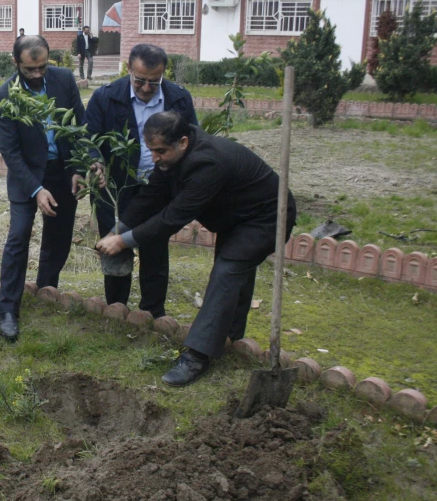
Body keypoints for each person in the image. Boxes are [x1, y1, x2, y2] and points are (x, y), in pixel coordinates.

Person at [96, 111, 296, 387]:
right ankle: (232, 337)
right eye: (151, 150)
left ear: (184, 142)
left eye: (160, 151)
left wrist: (123, 241)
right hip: (236, 215)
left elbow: (172, 217)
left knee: (228, 271)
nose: (154, 157)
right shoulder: (172, 159)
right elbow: (152, 196)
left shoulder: (207, 163)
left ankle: (198, 356)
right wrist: (117, 229)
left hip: (267, 216)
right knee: (237, 271)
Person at [86, 44, 197, 315]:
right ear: (128, 70)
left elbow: (191, 140)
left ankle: (152, 311)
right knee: (115, 246)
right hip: (115, 188)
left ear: (163, 74)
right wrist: (95, 160)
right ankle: (116, 308)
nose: (146, 87)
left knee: (155, 248)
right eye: (140, 80)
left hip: (159, 188)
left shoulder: (178, 99)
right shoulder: (105, 97)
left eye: (154, 81)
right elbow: (88, 138)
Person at [0, 35, 86, 342]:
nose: (37, 75)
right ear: (16, 63)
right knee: (18, 236)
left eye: (42, 67)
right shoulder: (5, 95)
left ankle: (46, 289)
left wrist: (76, 169)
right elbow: (11, 153)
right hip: (26, 177)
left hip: (62, 172)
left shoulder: (64, 80)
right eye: (30, 69)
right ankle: (8, 309)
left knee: (58, 237)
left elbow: (77, 128)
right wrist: (36, 189)